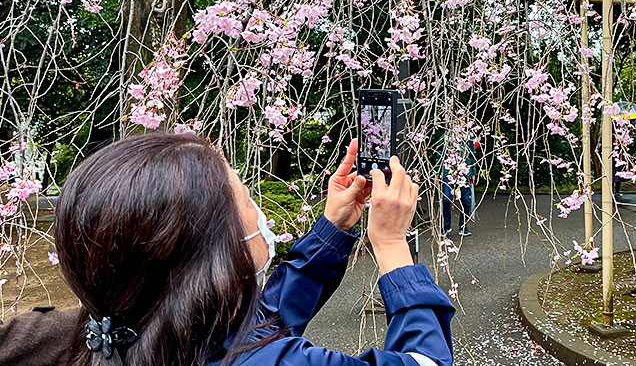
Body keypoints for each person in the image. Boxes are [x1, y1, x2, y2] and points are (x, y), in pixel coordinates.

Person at [52, 133, 454, 366]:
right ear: (214, 251)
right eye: (245, 200)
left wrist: (333, 229)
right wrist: (392, 245)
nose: (258, 211)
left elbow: (260, 323)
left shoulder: (139, 332)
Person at [436, 119, 480, 238]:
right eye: (455, 122)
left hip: (465, 173)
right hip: (448, 172)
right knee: (446, 199)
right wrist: (438, 174)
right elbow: (439, 156)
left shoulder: (468, 138)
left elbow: (472, 155)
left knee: (466, 200)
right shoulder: (445, 137)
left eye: (460, 122)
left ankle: (463, 226)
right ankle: (446, 226)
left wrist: (473, 172)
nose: (458, 124)